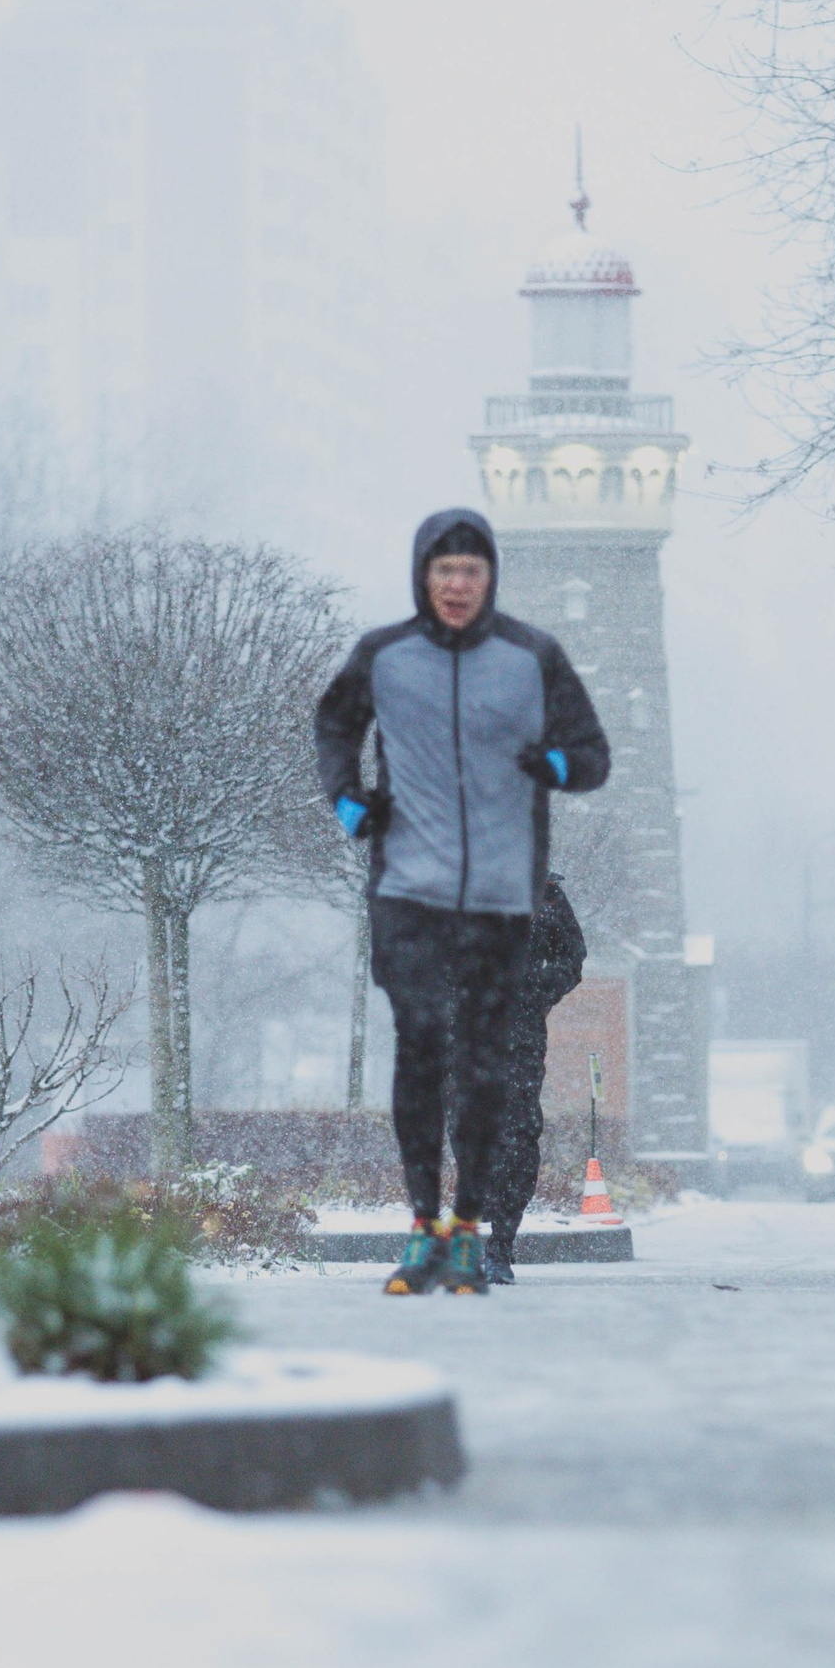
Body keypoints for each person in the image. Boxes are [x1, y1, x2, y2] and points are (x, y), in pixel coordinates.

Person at [315, 508, 610, 1294]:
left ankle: (489, 1237)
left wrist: (526, 993)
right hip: (420, 918)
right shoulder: (384, 656)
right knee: (429, 1097)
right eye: (442, 570)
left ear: (491, 578)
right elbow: (335, 726)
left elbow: (589, 756)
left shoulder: (530, 658)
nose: (456, 585)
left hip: (506, 976)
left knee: (508, 1120)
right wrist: (349, 801)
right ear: (423, 577)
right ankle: (427, 1228)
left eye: (470, 570)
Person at [480, 873, 587, 1283]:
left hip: (519, 1034)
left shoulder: (546, 893)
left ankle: (500, 1242)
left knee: (518, 1134)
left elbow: (572, 957)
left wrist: (531, 990)